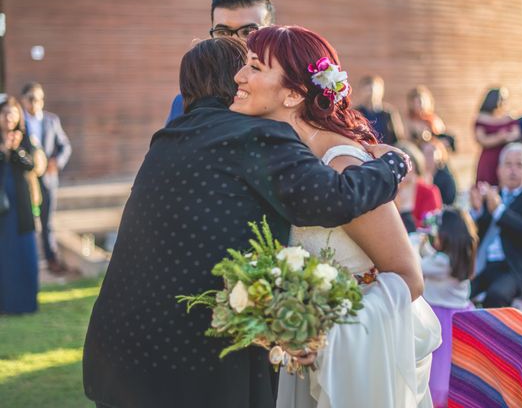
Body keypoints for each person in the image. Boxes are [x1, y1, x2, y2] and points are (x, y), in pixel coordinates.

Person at [83, 38, 411, 408]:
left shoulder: (169, 139)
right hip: (196, 371)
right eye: (247, 66)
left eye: (255, 67)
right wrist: (394, 164)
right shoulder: (255, 136)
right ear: (233, 84)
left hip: (116, 356)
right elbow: (332, 201)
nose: (245, 76)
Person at [230, 25, 441, 408]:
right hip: (310, 359)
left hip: (362, 359)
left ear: (294, 94)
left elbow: (408, 278)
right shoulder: (289, 159)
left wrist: (324, 330)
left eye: (255, 67)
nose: (239, 77)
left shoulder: (345, 166)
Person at [165, 0, 275, 123]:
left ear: (272, 35)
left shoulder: (287, 97)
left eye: (248, 32)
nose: (234, 42)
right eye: (223, 33)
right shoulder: (185, 102)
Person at [469, 142, 522, 309]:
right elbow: (478, 234)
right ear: (499, 170)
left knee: (496, 296)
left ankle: (492, 336)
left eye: (519, 165)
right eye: (508, 164)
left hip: (517, 268)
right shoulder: (491, 195)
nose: (512, 170)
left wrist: (499, 210)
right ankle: (459, 335)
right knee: (458, 293)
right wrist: (477, 211)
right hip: (485, 266)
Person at [421, 208, 477, 408]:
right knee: (456, 369)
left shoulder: (440, 263)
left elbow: (417, 265)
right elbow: (432, 260)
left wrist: (413, 243)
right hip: (461, 316)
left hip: (440, 318)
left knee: (438, 372)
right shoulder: (460, 257)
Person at [20, 81, 72, 273]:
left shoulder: (52, 121)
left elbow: (65, 146)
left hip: (48, 180)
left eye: (39, 99)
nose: (35, 103)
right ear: (23, 100)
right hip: (26, 182)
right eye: (31, 99)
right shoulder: (19, 123)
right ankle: (28, 261)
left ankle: (52, 260)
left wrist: (56, 163)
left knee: (47, 222)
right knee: (27, 222)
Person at [0, 97, 38, 314]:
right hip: (1, 209)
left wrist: (15, 150)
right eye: (4, 112)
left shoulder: (23, 139)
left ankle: (25, 303)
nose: (8, 117)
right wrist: (3, 151)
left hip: (20, 207)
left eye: (13, 112)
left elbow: (30, 164)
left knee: (24, 253)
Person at [474, 87, 521, 186]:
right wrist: (500, 137)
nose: (503, 102)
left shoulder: (509, 117)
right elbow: (482, 139)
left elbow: (516, 134)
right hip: (489, 158)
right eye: (501, 99)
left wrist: (504, 137)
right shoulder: (481, 118)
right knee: (486, 185)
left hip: (506, 157)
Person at [394, 140, 442, 232]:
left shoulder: (429, 192)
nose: (403, 167)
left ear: (416, 164)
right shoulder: (389, 194)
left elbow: (430, 227)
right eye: (399, 163)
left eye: (407, 162)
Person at [355, 75, 405, 144]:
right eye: (367, 90)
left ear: (381, 91)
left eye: (372, 90)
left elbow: (398, 139)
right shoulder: (356, 113)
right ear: (361, 92)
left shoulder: (388, 113)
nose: (370, 94)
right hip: (362, 151)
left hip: (386, 151)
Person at [422, 137, 457, 205]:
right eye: (424, 154)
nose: (426, 157)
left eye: (430, 153)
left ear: (439, 156)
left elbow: (449, 201)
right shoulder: (419, 176)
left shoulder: (446, 178)